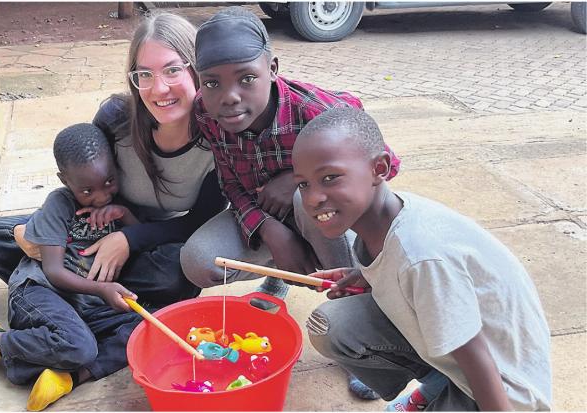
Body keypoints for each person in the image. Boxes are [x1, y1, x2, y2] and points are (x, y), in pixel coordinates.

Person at [179, 6, 400, 399]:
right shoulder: (205, 111)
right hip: (268, 215)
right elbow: (230, 180)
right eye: (212, 83)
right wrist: (269, 230)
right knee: (199, 260)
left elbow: (386, 165)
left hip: (325, 216)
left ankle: (359, 334)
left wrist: (298, 180)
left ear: (273, 68)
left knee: (308, 200)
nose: (229, 97)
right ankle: (282, 273)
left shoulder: (313, 111)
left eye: (247, 79)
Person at [293, 107, 551, 411]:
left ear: (379, 169)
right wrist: (365, 274)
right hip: (464, 364)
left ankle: (457, 395)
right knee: (330, 325)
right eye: (303, 184)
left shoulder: (422, 256)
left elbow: (477, 357)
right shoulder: (377, 220)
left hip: (505, 389)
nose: (312, 198)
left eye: (330, 177)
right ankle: (439, 385)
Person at [0, 13, 225, 306]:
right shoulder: (116, 117)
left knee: (174, 276)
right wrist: (45, 229)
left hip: (152, 236)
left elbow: (198, 222)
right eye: (144, 74)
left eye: (172, 70)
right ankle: (84, 292)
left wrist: (129, 240)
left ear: (197, 70)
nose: (158, 88)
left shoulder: (218, 142)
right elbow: (81, 180)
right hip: (93, 225)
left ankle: (68, 292)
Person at [0, 123, 151, 411]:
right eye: (87, 190)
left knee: (149, 326)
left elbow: (142, 239)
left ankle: (71, 374)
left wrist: (125, 215)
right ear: (65, 180)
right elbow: (54, 271)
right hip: (41, 291)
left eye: (108, 182)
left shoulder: (122, 200)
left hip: (86, 303)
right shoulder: (59, 204)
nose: (101, 196)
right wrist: (102, 288)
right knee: (81, 347)